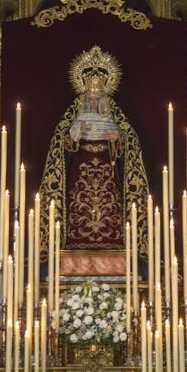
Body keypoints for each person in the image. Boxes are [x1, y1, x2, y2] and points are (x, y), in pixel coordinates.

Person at [40, 46, 149, 253]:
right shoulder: (76, 109)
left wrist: (117, 138)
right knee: (77, 204)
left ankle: (114, 244)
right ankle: (72, 244)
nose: (93, 103)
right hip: (81, 164)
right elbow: (61, 139)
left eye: (96, 100)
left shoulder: (111, 109)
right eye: (90, 100)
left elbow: (128, 136)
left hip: (107, 165)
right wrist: (74, 133)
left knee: (110, 204)